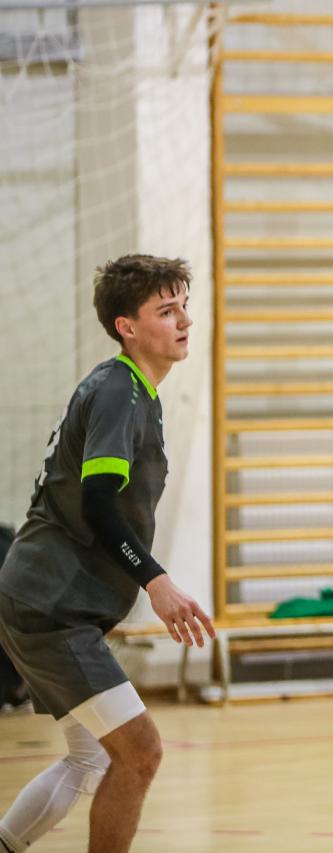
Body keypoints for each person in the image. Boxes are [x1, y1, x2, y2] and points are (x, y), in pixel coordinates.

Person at [0, 255, 214, 853]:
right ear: (127, 326)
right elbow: (99, 503)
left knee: (90, 756)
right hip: (52, 607)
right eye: (166, 311)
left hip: (39, 597)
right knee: (141, 752)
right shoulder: (119, 391)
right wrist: (156, 581)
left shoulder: (133, 390)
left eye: (184, 307)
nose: (184, 321)